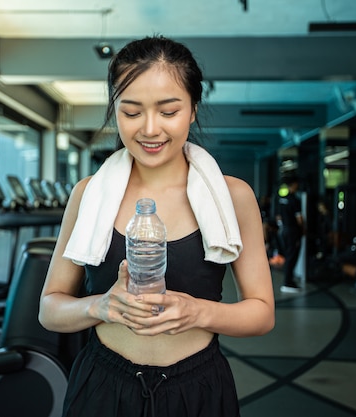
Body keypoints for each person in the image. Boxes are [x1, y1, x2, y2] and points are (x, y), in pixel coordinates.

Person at [39, 35, 275, 417]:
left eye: (168, 111)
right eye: (131, 112)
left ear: (193, 109)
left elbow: (262, 313)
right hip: (102, 386)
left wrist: (198, 312)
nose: (149, 129)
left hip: (197, 389)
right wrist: (100, 306)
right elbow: (49, 310)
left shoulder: (233, 196)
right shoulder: (89, 194)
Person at [276, 175, 304, 293]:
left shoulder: (282, 199)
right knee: (292, 256)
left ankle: (289, 280)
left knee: (288, 255)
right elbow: (300, 219)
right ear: (294, 184)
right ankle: (288, 282)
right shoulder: (295, 200)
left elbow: (278, 217)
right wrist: (303, 230)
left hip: (284, 230)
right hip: (293, 231)